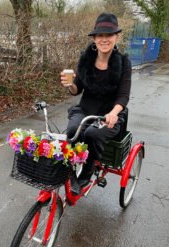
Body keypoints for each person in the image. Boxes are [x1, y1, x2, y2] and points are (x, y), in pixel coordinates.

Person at [60, 12, 132, 194]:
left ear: (116, 36)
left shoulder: (124, 63)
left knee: (92, 134)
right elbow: (77, 88)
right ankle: (69, 170)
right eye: (100, 35)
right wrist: (70, 85)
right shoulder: (86, 59)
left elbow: (123, 95)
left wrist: (114, 113)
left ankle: (86, 173)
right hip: (85, 110)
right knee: (71, 131)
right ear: (95, 38)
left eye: (109, 35)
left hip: (109, 114)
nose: (104, 39)